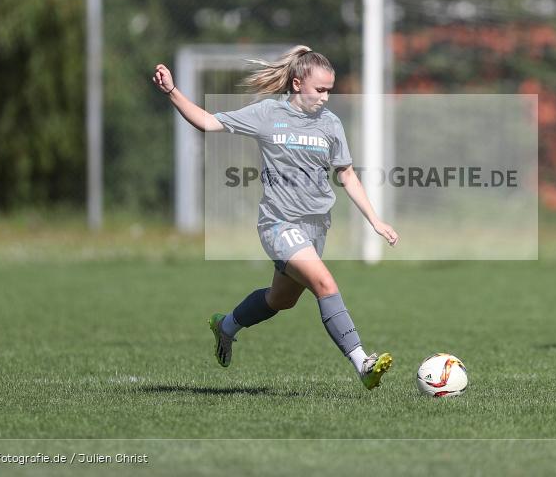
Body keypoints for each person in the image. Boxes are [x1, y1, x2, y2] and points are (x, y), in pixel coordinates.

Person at [152, 45, 400, 389]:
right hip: (279, 224)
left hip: (316, 226)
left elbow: (346, 174)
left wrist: (375, 220)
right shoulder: (267, 113)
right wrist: (173, 92)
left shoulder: (331, 124)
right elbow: (208, 122)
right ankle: (363, 364)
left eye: (330, 90)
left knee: (280, 300)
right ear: (298, 84)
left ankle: (225, 326)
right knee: (325, 284)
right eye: (320, 90)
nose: (326, 98)